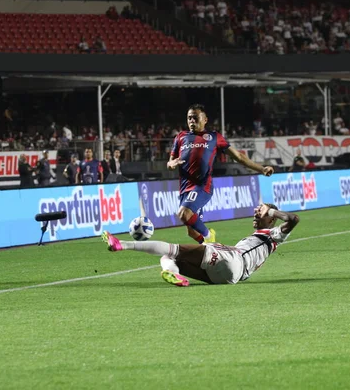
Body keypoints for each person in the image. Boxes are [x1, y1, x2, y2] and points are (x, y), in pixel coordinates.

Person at [101, 203, 300, 286]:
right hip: (231, 277)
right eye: (257, 213)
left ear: (272, 220)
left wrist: (271, 210)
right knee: (168, 258)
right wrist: (198, 238)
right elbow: (210, 250)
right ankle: (174, 275)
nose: (256, 216)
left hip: (234, 259)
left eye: (262, 214)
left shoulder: (273, 235)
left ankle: (122, 245)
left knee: (174, 249)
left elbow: (293, 219)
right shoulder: (259, 239)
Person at [167, 104, 275, 244]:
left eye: (195, 118)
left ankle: (208, 236)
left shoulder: (214, 137)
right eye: (189, 118)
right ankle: (210, 245)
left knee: (183, 213)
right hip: (184, 188)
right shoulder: (181, 137)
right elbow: (169, 163)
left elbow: (239, 157)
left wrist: (261, 169)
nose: (191, 121)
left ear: (205, 119)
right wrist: (171, 164)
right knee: (191, 232)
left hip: (202, 187)